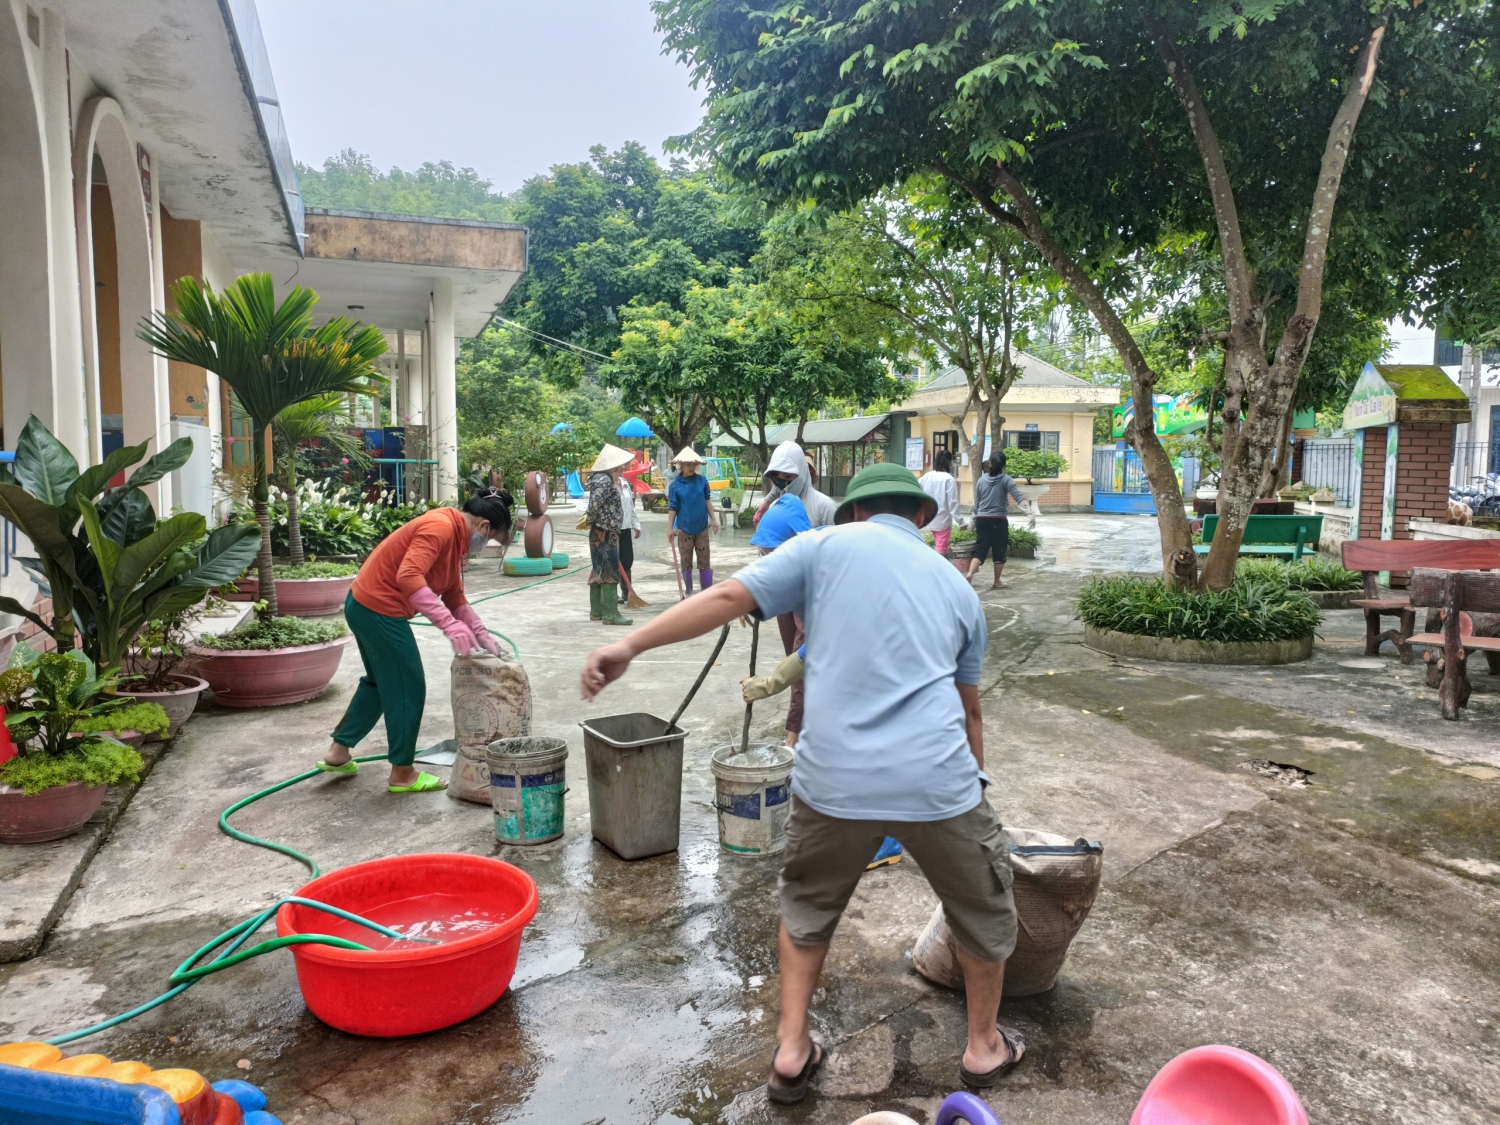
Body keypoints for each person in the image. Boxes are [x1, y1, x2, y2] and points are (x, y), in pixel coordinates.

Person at [581, 462, 1022, 1103]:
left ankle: (791, 1050)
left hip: (833, 779)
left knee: (807, 910)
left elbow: (726, 599)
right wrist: (973, 785)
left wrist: (630, 646)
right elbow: (970, 711)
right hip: (937, 779)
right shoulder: (958, 588)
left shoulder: (821, 547)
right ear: (922, 516)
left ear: (855, 511)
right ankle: (983, 1047)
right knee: (982, 908)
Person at [318, 491, 512, 793]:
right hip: (379, 610)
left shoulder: (455, 539)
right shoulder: (440, 527)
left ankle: (338, 752)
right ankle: (403, 773)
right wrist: (449, 625)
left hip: (364, 605)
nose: (485, 545)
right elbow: (409, 576)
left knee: (381, 683)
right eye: (492, 539)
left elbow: (454, 595)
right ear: (484, 527)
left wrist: (480, 632)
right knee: (408, 687)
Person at [748, 493, 812, 746]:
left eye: (773, 552)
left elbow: (812, 649)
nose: (768, 559)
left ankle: (798, 734)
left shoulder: (822, 577)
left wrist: (772, 683)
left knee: (802, 668)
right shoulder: (794, 567)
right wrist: (746, 598)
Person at [969, 453, 1034, 589]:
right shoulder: (1007, 480)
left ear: (990, 463)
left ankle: (970, 574)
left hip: (982, 519)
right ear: (1004, 465)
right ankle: (996, 581)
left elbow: (977, 502)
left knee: (981, 548)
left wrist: (973, 519)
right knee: (999, 551)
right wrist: (1029, 513)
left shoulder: (981, 480)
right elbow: (1017, 497)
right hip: (999, 520)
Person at [587, 443, 634, 626]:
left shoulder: (600, 479)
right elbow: (594, 505)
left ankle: (597, 611)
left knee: (598, 568)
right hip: (605, 531)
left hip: (603, 530)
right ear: (613, 465)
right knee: (609, 570)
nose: (623, 467)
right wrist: (590, 520)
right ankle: (610, 614)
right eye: (621, 464)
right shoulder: (605, 481)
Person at [667, 446, 719, 595]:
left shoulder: (702, 481)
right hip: (684, 529)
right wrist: (670, 528)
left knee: (704, 561)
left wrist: (713, 519)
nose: (691, 467)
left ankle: (706, 593)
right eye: (688, 464)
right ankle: (689, 591)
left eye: (693, 464)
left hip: (702, 527)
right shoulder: (675, 485)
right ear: (680, 465)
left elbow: (707, 501)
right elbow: (673, 507)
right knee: (686, 561)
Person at [920, 450, 961, 555]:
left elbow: (916, 487)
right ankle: (936, 564)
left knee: (940, 545)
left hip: (930, 518)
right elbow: (953, 503)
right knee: (941, 549)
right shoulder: (949, 479)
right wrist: (961, 522)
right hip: (943, 520)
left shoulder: (927, 476)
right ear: (949, 463)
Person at [617, 464, 642, 605]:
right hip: (612, 530)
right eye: (620, 465)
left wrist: (636, 524)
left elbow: (630, 507)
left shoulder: (625, 483)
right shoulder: (606, 485)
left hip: (625, 528)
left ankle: (626, 593)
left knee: (627, 560)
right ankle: (611, 593)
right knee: (611, 562)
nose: (623, 467)